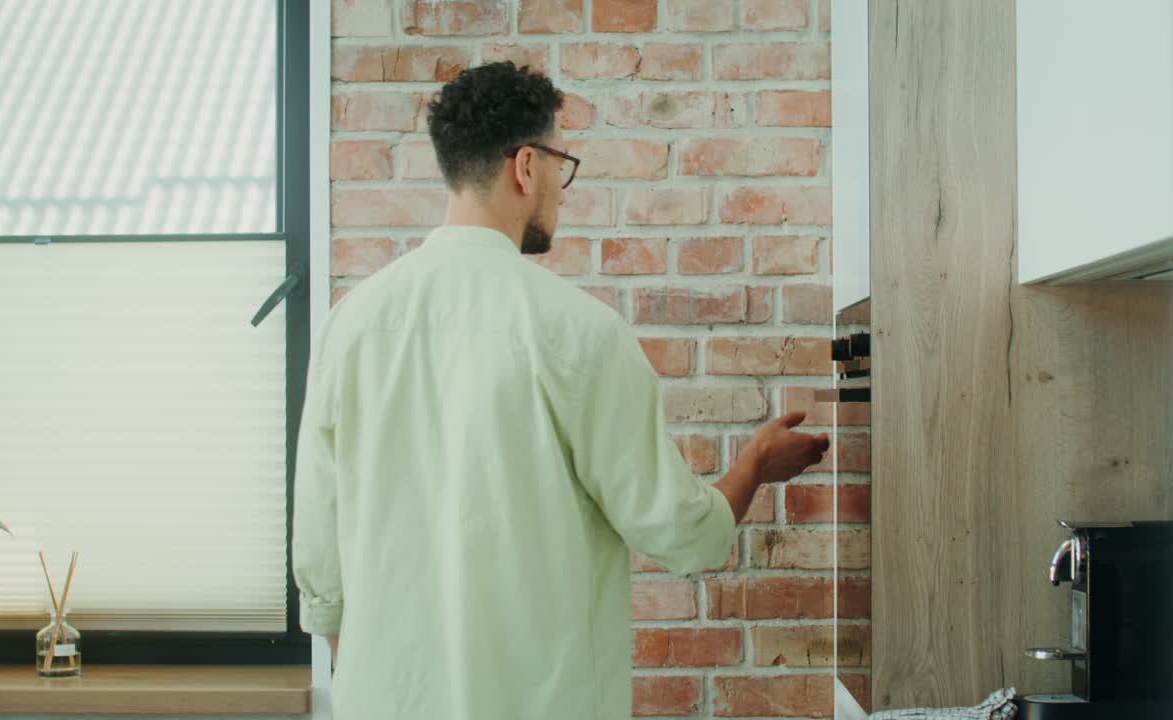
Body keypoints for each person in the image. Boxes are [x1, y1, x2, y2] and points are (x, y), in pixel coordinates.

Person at [292, 61, 830, 719]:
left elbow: (319, 548)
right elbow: (678, 530)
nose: (562, 190)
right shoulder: (581, 333)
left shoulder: (350, 322)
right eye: (559, 163)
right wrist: (755, 466)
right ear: (525, 166)